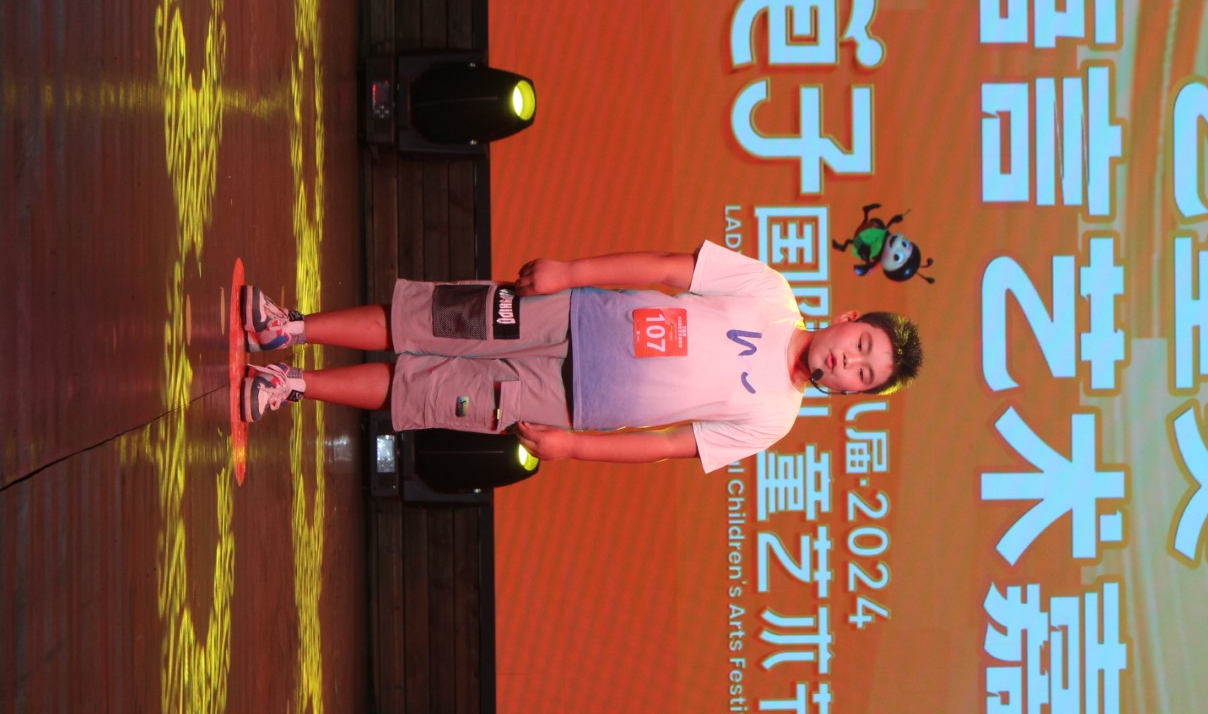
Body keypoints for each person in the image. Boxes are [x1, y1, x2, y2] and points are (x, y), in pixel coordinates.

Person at [240, 241, 923, 471]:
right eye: (861, 347)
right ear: (848, 320)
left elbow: (667, 446)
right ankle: (287, 328)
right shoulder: (772, 292)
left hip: (569, 402)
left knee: (421, 391)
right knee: (424, 319)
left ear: (851, 395)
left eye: (863, 376)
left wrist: (571, 447)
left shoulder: (775, 419)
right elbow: (666, 268)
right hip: (568, 313)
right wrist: (570, 272)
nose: (848, 364)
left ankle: (290, 384)